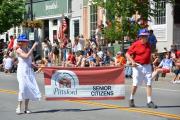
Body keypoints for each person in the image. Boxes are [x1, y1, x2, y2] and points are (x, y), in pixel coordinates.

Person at [125, 28, 157, 108]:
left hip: (147, 66)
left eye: (146, 36)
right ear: (140, 37)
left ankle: (149, 101)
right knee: (135, 84)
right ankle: (131, 98)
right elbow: (127, 54)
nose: (145, 38)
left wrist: (152, 63)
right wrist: (132, 61)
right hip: (137, 66)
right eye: (143, 36)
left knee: (149, 83)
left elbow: (148, 55)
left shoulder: (149, 44)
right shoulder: (136, 44)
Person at [15, 34, 41, 114]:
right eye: (24, 41)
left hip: (29, 71)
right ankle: (18, 107)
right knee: (22, 89)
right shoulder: (18, 50)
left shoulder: (29, 49)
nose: (26, 43)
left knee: (28, 88)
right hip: (21, 71)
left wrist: (36, 65)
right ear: (21, 43)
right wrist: (33, 47)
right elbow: (26, 56)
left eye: (26, 41)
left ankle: (26, 108)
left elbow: (31, 61)